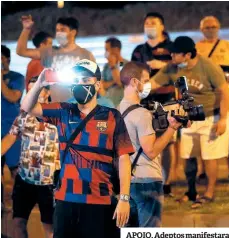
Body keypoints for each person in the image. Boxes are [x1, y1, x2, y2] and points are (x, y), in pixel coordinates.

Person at [21, 59, 134, 237]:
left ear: (97, 84)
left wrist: (124, 198)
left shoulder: (112, 116)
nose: (80, 85)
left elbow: (124, 159)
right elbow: (27, 107)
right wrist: (40, 84)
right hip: (66, 200)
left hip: (100, 200)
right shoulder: (64, 110)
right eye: (77, 81)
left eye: (85, 81)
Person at [144, 36, 229, 209]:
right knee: (188, 156)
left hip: (209, 117)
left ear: (188, 55)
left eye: (176, 54)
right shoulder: (173, 67)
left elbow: (224, 91)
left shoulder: (208, 67)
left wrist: (222, 119)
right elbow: (153, 83)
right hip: (189, 119)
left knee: (209, 158)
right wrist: (137, 88)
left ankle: (209, 193)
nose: (172, 57)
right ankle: (191, 191)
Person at [118, 62, 185, 227]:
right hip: (147, 180)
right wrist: (171, 129)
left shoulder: (117, 110)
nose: (148, 84)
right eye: (145, 80)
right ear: (135, 82)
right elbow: (151, 151)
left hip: (127, 182)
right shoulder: (142, 114)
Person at [1, 77, 57, 238]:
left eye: (37, 90)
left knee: (50, 228)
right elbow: (8, 140)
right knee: (18, 223)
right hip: (24, 180)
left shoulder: (58, 117)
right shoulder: (23, 117)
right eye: (30, 90)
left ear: (47, 93)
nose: (32, 94)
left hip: (48, 183)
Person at [131, 12, 178, 196]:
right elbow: (132, 72)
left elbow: (178, 67)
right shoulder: (138, 50)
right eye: (147, 23)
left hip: (166, 100)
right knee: (145, 142)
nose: (149, 25)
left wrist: (162, 65)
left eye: (153, 22)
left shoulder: (171, 48)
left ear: (162, 27)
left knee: (168, 143)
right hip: (144, 101)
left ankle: (167, 182)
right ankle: (150, 179)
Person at [196, 16, 229, 183]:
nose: (211, 29)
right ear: (201, 29)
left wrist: (225, 77)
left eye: (214, 26)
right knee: (202, 130)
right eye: (207, 27)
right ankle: (202, 172)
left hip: (225, 94)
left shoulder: (228, 46)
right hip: (204, 95)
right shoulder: (197, 47)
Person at [17, 16, 96, 102]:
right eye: (57, 30)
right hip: (56, 107)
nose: (58, 33)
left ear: (73, 32)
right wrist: (26, 29)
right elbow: (21, 51)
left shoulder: (85, 55)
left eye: (62, 30)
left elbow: (95, 83)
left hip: (79, 106)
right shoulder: (50, 52)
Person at [1, 45, 25, 206]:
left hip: (11, 130)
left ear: (7, 59)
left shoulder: (17, 77)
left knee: (16, 170)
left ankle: (21, 204)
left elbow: (11, 97)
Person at [102, 37, 127, 107]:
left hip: (122, 105)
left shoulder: (125, 64)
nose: (105, 52)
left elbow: (119, 82)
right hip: (109, 104)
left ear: (116, 50)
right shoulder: (106, 66)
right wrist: (113, 81)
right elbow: (103, 85)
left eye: (107, 49)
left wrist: (113, 66)